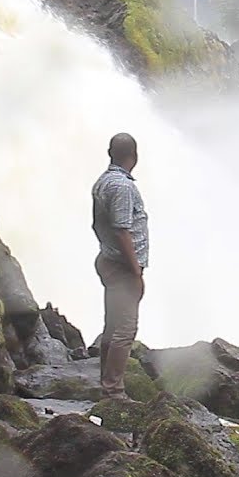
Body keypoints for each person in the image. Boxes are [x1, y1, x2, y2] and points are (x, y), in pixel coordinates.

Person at [91, 133, 148, 400]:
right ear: (133, 157)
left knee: (112, 325)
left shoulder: (103, 181)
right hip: (122, 267)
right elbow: (122, 230)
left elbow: (100, 225)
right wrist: (135, 270)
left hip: (109, 261)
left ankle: (107, 383)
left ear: (109, 153)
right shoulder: (123, 187)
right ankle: (113, 390)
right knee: (125, 329)